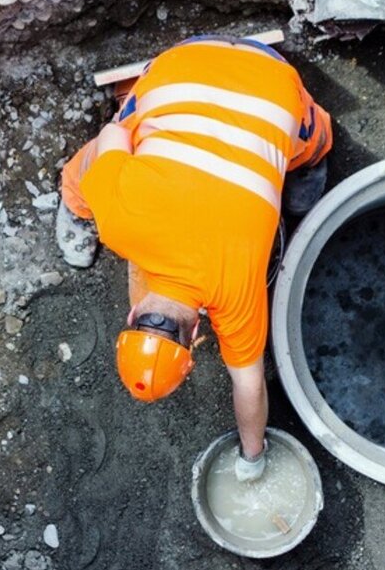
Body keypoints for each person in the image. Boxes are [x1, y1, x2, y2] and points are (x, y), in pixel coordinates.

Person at [56, 35, 332, 482]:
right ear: (131, 313)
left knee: (311, 136)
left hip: (272, 78)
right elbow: (112, 135)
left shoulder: (237, 291)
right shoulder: (120, 222)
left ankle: (73, 206)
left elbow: (249, 383)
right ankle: (312, 159)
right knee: (107, 155)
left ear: (198, 331)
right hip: (185, 62)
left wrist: (253, 456)